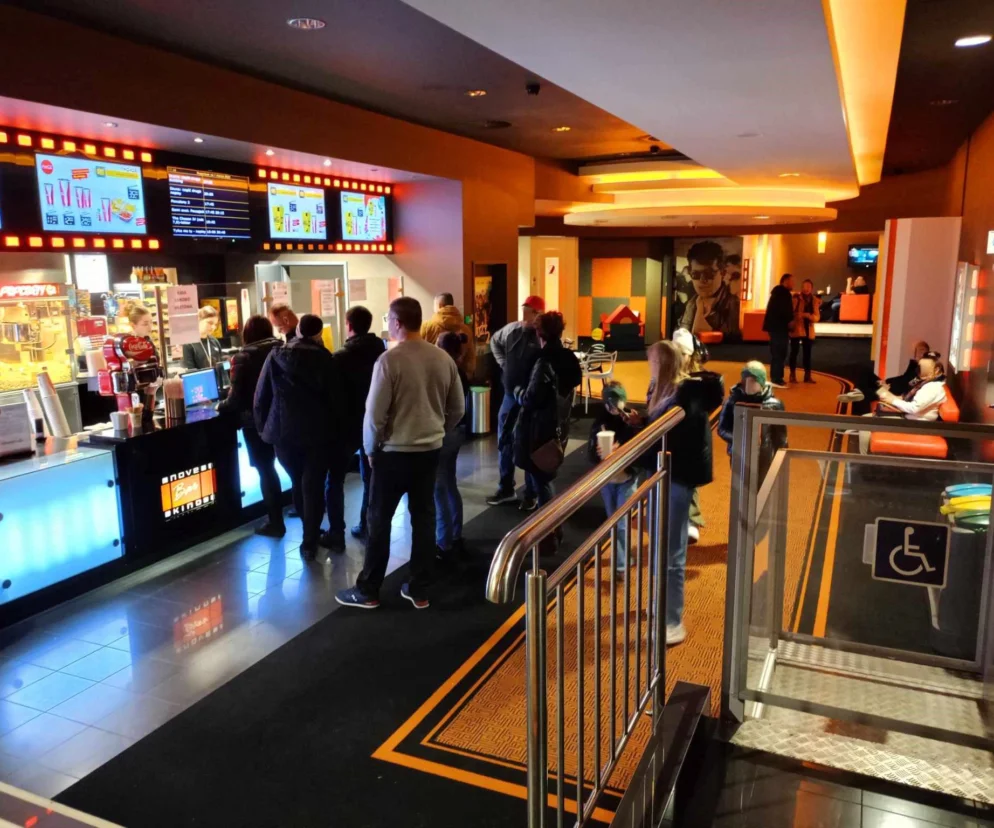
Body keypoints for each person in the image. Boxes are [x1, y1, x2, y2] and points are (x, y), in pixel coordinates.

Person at [336, 298, 464, 610]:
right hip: (429, 450)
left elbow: (374, 415)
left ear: (396, 322)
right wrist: (437, 429)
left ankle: (369, 589)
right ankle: (419, 588)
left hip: (393, 453)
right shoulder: (442, 358)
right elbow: (458, 408)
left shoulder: (389, 361)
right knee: (424, 517)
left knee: (379, 519)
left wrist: (370, 449)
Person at [639, 340, 724, 646]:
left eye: (653, 361)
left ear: (663, 364)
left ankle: (672, 621)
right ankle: (661, 605)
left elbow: (674, 440)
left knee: (672, 552)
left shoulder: (685, 395)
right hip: (663, 476)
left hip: (675, 479)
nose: (649, 366)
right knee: (661, 546)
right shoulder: (665, 391)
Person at [254, 314, 340, 559]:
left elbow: (261, 396)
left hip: (283, 433)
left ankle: (308, 531)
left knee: (297, 482)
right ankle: (309, 540)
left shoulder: (276, 356)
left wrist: (263, 428)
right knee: (313, 485)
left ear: (298, 330)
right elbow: (336, 399)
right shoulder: (326, 359)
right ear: (318, 334)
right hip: (317, 433)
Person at [322, 305, 385, 551]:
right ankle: (366, 525)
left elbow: (332, 395)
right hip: (373, 422)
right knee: (370, 478)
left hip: (344, 426)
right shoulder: (382, 353)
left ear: (348, 325)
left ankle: (336, 532)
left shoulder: (339, 357)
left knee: (334, 480)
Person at [218, 315, 284, 537]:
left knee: (266, 470)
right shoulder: (282, 348)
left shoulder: (243, 357)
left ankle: (275, 522)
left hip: (255, 422)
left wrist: (219, 406)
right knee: (293, 469)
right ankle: (309, 527)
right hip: (283, 417)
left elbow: (235, 399)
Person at [512, 311, 582, 517]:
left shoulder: (542, 360)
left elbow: (531, 398)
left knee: (541, 477)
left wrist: (517, 392)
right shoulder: (569, 357)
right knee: (544, 470)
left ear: (539, 333)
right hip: (560, 425)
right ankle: (535, 503)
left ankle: (549, 525)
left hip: (538, 428)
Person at [487, 295, 544, 510]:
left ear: (538, 313)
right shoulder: (512, 330)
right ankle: (506, 488)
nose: (525, 315)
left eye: (529, 311)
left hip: (530, 398)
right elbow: (494, 341)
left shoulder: (542, 334)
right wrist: (504, 364)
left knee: (528, 443)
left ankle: (530, 493)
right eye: (524, 311)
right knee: (505, 441)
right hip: (510, 395)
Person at [588, 381, 640, 572]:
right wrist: (598, 452)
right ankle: (624, 558)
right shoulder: (599, 423)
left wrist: (622, 448)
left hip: (627, 479)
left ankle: (621, 565)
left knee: (621, 523)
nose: (615, 408)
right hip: (608, 480)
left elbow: (640, 450)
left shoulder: (631, 421)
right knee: (613, 522)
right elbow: (591, 454)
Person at [857, 354, 947, 453]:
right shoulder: (926, 383)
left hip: (913, 424)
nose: (920, 370)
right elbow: (911, 399)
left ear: (936, 370)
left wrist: (893, 400)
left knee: (864, 421)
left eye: (923, 367)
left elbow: (914, 408)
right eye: (920, 366)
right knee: (868, 413)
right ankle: (865, 456)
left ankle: (864, 458)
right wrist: (894, 398)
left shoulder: (933, 388)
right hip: (908, 417)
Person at [717, 361, 787, 485]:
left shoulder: (774, 405)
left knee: (762, 488)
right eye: (745, 380)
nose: (748, 385)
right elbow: (722, 428)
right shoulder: (732, 401)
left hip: (764, 456)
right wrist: (739, 440)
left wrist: (780, 460)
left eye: (753, 380)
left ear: (761, 382)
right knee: (740, 488)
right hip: (739, 454)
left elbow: (780, 437)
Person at [434, 331, 471, 561]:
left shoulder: (442, 370)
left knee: (438, 489)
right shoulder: (460, 370)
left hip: (445, 433)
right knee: (449, 483)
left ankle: (444, 542)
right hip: (457, 432)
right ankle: (455, 534)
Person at [672, 328, 709, 544]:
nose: (680, 358)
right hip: (672, 436)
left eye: (683, 354)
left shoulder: (697, 380)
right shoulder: (666, 375)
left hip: (690, 438)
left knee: (687, 480)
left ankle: (692, 519)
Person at [678, 240, 741, 338]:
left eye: (709, 274)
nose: (702, 280)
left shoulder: (734, 306)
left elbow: (733, 341)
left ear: (722, 273)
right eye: (695, 274)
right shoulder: (692, 304)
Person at [421, 292, 476, 376]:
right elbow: (470, 362)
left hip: (433, 377)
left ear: (439, 305)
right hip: (457, 376)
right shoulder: (466, 330)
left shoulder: (426, 327)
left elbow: (418, 355)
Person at [763, 273, 795, 388]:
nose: (793, 284)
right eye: (791, 281)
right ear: (785, 281)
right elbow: (784, 311)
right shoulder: (783, 294)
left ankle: (777, 376)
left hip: (776, 327)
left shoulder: (777, 293)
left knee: (778, 352)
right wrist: (790, 321)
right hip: (779, 328)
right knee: (779, 352)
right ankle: (777, 378)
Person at [789, 279, 821, 384]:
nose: (806, 289)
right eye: (804, 286)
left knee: (807, 354)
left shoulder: (814, 300)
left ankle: (807, 376)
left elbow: (817, 317)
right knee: (794, 352)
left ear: (812, 288)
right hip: (797, 328)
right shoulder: (796, 298)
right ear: (802, 287)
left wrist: (806, 315)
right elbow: (791, 312)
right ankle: (792, 375)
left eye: (808, 287)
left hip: (808, 329)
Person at [181, 306, 223, 370]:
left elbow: (221, 367)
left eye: (215, 324)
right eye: (210, 323)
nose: (213, 327)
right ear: (198, 320)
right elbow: (190, 371)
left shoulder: (215, 342)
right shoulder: (189, 344)